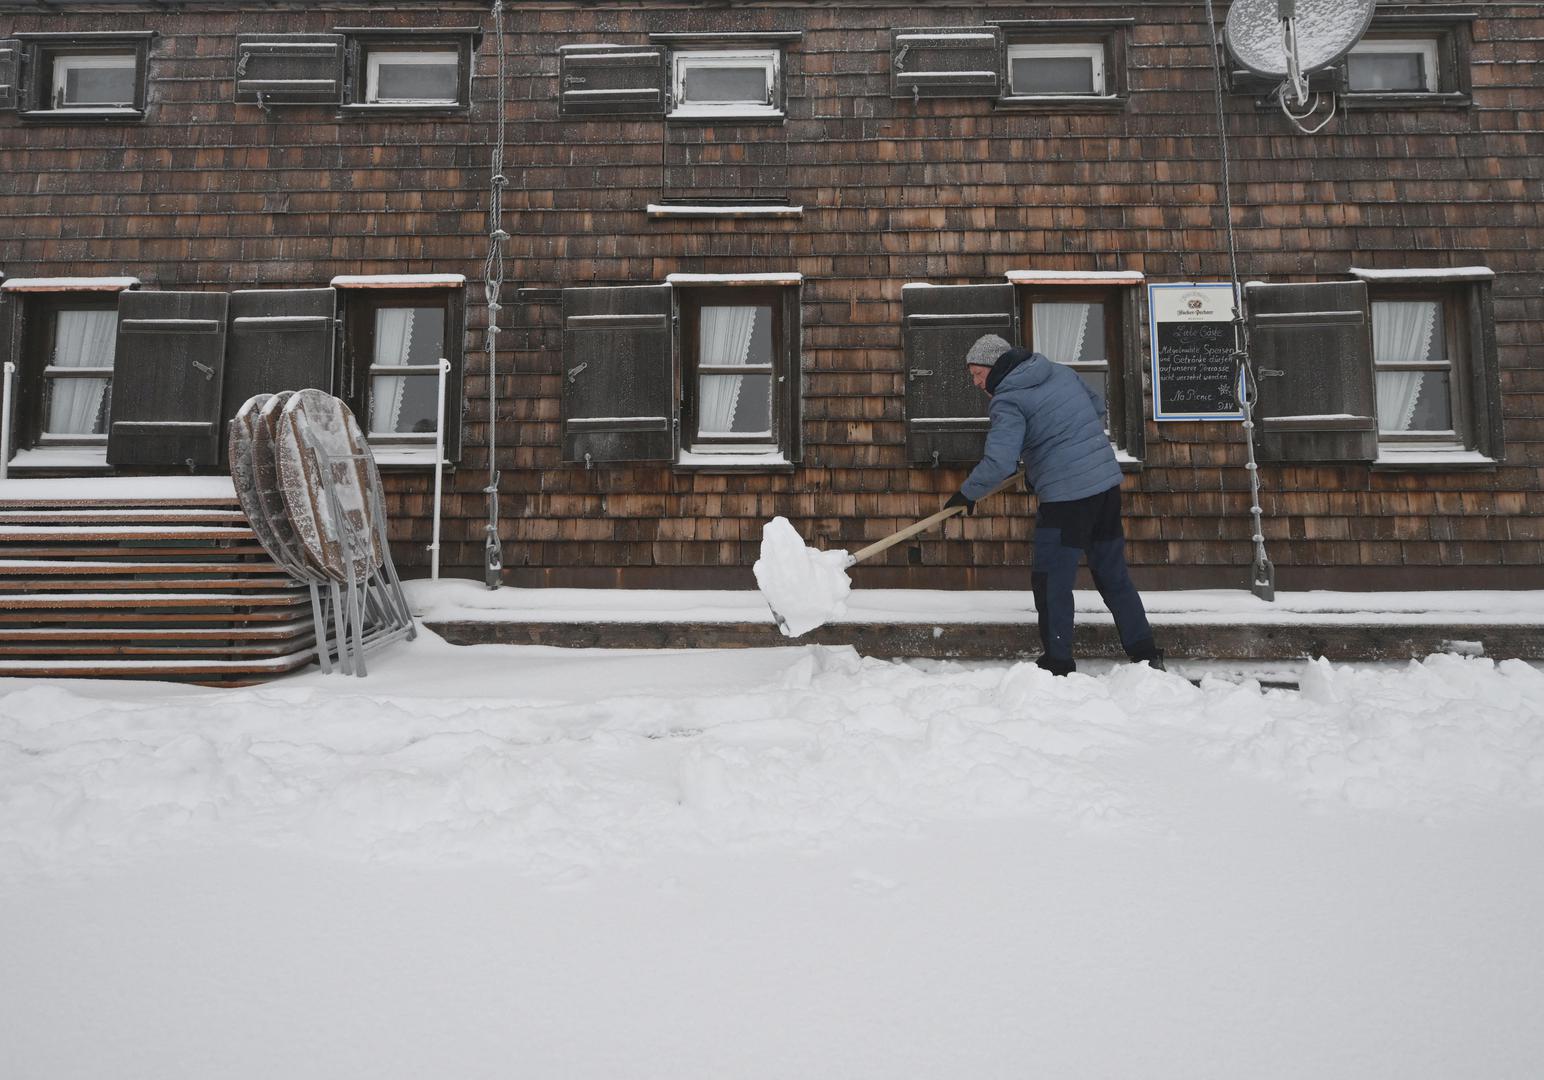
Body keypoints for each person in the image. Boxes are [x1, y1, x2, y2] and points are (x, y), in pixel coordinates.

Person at [945, 333, 1163, 675]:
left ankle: (1057, 664)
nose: (975, 382)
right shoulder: (1059, 372)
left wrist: (967, 493)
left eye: (976, 373)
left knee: (1051, 582)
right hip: (1105, 488)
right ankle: (1146, 655)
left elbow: (1000, 463)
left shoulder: (1008, 400)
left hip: (1067, 501)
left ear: (995, 366)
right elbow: (1096, 408)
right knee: (1112, 576)